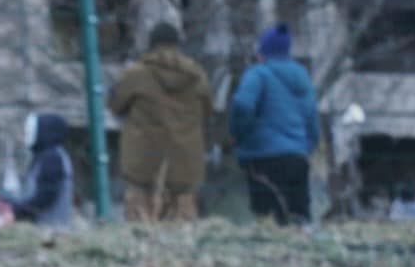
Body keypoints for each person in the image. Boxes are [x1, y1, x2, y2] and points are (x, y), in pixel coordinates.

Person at [108, 22, 213, 222]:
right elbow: (207, 111)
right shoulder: (197, 76)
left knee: (142, 237)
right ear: (178, 45)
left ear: (151, 45)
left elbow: (114, 104)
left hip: (143, 166)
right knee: (181, 240)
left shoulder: (136, 74)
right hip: (185, 168)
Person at [230, 22, 319, 225]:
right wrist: (308, 146)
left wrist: (239, 136)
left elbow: (242, 105)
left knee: (269, 222)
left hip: (263, 158)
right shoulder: (302, 76)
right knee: (299, 219)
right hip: (297, 157)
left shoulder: (257, 74)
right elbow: (311, 117)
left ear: (263, 52)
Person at [1, 112, 74, 228]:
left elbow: (45, 196)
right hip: (45, 227)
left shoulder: (52, 158)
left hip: (51, 228)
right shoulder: (45, 156)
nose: (25, 136)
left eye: (28, 131)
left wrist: (16, 212)